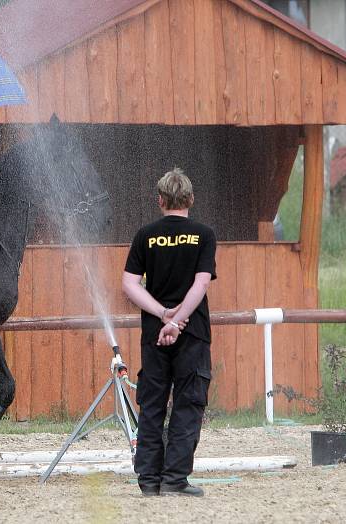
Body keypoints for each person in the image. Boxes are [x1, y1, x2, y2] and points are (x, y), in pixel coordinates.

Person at [121, 168, 217, 497]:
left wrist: (163, 315)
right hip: (193, 334)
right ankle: (175, 479)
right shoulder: (203, 235)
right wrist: (179, 322)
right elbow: (200, 284)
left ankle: (148, 480)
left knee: (152, 405)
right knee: (188, 404)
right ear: (190, 199)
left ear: (160, 200)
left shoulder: (145, 235)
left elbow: (130, 284)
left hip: (153, 334)